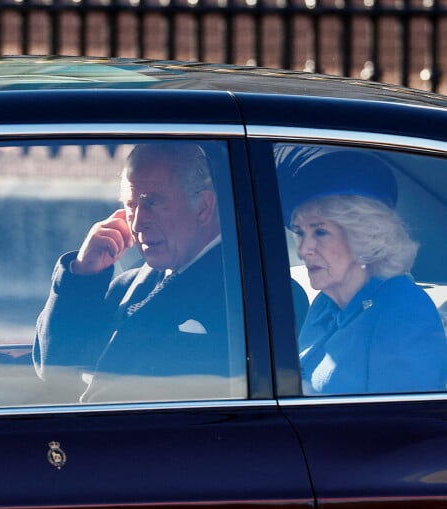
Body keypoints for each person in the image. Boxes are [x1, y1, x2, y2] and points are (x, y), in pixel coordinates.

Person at [33, 142, 242, 403]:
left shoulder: (249, 292)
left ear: (203, 207)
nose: (137, 222)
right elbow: (56, 370)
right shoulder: (127, 286)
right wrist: (84, 274)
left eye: (153, 202)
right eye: (131, 205)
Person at [281, 148, 447, 395]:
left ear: (364, 238)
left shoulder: (404, 312)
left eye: (320, 232)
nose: (304, 249)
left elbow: (402, 425)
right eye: (300, 232)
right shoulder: (324, 304)